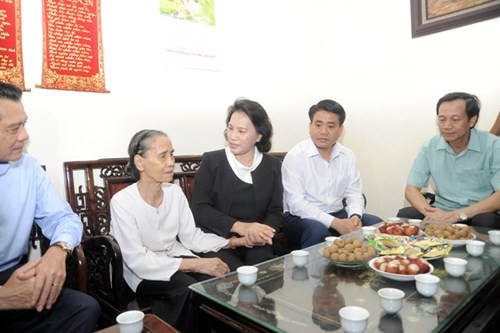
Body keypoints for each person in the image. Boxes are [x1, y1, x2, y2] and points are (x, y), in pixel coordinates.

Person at [109, 129, 249, 331]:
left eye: (172, 154)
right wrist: (195, 265)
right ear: (140, 162)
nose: (170, 162)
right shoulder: (122, 202)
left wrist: (232, 242)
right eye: (163, 156)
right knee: (187, 290)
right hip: (141, 272)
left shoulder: (174, 193)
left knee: (219, 283)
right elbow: (137, 261)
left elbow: (191, 237)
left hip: (176, 256)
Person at [0, 82, 100, 332]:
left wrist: (58, 249)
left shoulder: (28, 168)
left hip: (13, 273)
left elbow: (64, 218)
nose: (24, 135)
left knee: (84, 308)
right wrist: (3, 298)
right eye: (14, 128)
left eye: (24, 124)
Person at [190, 98, 283, 271]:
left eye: (241, 131)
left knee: (266, 270)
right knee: (234, 275)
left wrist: (263, 233)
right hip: (218, 239)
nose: (233, 136)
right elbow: (200, 208)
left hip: (255, 240)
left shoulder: (272, 166)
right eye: (230, 128)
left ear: (259, 135)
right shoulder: (213, 161)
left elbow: (275, 211)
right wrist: (241, 227)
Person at [282, 99, 382, 249]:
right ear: (310, 126)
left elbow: (354, 194)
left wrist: (355, 216)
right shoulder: (295, 156)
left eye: (330, 126)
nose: (323, 131)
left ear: (340, 129)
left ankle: (368, 269)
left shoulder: (347, 155)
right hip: (301, 218)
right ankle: (312, 273)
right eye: (318, 125)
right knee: (317, 230)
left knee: (376, 224)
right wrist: (335, 223)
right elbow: (297, 204)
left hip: (338, 213)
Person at [397, 92, 500, 228]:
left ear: (472, 120)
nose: (447, 126)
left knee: (486, 222)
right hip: (442, 209)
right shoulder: (430, 147)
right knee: (406, 214)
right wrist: (431, 213)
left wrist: (457, 215)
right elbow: (411, 189)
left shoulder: (493, 145)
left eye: (455, 119)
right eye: (442, 119)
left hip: (478, 212)